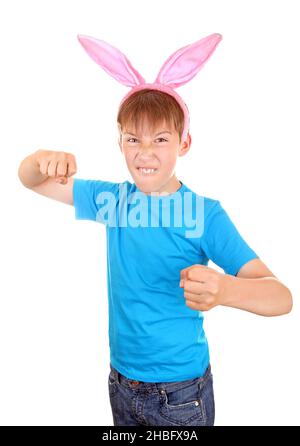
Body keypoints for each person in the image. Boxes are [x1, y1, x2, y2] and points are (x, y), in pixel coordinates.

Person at [18, 34, 293, 427]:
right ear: (120, 143)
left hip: (181, 393)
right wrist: (38, 159)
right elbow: (31, 181)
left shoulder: (204, 214)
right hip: (120, 382)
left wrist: (228, 289)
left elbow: (281, 298)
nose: (145, 152)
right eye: (133, 139)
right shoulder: (112, 200)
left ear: (184, 143)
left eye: (160, 139)